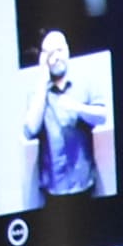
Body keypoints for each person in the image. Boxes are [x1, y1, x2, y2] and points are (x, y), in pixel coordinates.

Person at [23, 29, 106, 199]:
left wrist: (77, 107)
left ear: (67, 51)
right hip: (53, 189)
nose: (56, 57)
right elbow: (29, 129)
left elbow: (102, 116)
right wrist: (42, 79)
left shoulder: (85, 82)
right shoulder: (37, 93)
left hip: (84, 183)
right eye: (50, 53)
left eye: (59, 50)